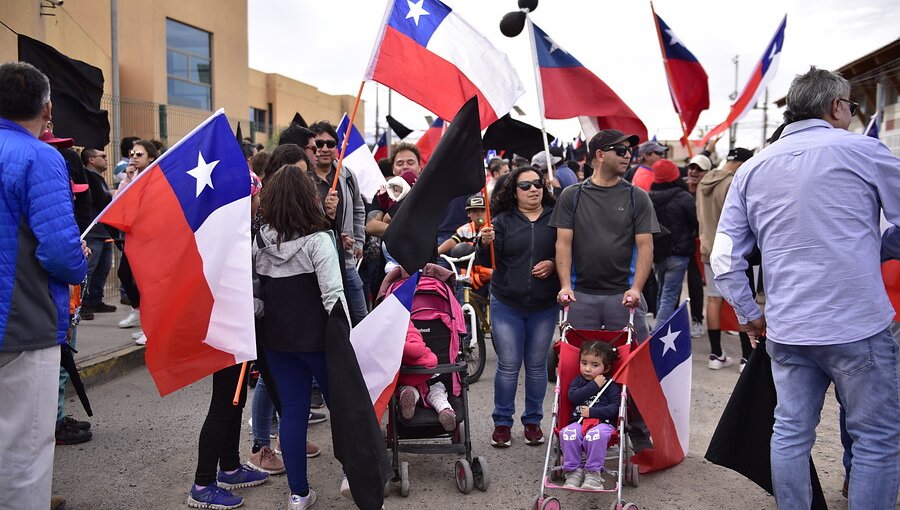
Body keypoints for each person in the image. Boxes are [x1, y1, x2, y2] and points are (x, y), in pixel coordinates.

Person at [712, 66, 900, 509]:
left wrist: (751, 315)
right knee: (875, 437)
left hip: (788, 327)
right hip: (856, 324)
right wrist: (875, 248)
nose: (852, 115)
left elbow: (724, 258)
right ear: (836, 106)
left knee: (791, 431)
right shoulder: (863, 150)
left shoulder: (753, 167)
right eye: (852, 107)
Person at [0, 61, 89, 510]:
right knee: (25, 448)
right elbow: (59, 251)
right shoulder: (39, 156)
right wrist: (79, 264)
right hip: (21, 320)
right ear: (47, 107)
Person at [255, 163, 350, 509]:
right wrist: (347, 341)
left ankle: (298, 494)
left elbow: (254, 295)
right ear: (308, 200)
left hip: (277, 341)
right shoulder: (319, 240)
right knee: (343, 408)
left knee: (292, 413)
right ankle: (352, 475)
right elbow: (334, 296)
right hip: (321, 341)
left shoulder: (259, 240)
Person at [478, 167, 559, 447]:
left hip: (544, 305)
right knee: (509, 365)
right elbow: (487, 262)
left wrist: (552, 265)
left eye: (538, 183)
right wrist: (483, 242)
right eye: (525, 186)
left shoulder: (556, 217)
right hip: (506, 303)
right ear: (514, 191)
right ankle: (502, 423)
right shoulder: (500, 222)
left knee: (536, 367)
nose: (533, 189)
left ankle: (533, 422)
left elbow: (568, 254)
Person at [553, 130, 658, 342]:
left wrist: (637, 289)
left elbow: (646, 246)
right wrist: (565, 285)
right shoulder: (572, 195)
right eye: (621, 150)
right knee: (578, 365)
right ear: (600, 155)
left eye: (630, 150)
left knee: (632, 365)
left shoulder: (637, 196)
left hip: (625, 296)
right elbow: (563, 244)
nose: (628, 155)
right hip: (579, 295)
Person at [696, 147, 754, 370]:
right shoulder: (732, 183)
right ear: (741, 163)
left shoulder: (704, 182)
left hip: (708, 247)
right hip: (732, 250)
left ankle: (715, 354)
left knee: (713, 299)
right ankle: (746, 357)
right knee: (741, 301)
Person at [309, 121, 367, 325]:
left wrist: (359, 242)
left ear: (337, 147)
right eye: (319, 144)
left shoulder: (347, 175)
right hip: (316, 265)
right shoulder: (303, 178)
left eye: (330, 143)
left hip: (347, 260)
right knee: (330, 321)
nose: (324, 148)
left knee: (361, 317)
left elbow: (359, 210)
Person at [560, 341, 620, 490]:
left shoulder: (611, 385)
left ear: (606, 368)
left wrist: (593, 412)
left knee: (596, 435)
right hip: (579, 422)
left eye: (594, 365)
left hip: (603, 423)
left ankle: (593, 474)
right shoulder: (578, 381)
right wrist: (594, 385)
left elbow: (615, 408)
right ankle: (573, 471)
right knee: (568, 433)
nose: (587, 369)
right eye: (584, 363)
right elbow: (573, 397)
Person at [117, 140, 159, 344]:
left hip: (152, 238)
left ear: (151, 157)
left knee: (148, 282)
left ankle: (152, 328)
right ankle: (139, 312)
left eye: (139, 154)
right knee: (124, 273)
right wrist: (128, 178)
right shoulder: (132, 177)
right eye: (132, 153)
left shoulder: (156, 177)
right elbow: (118, 203)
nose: (133, 156)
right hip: (134, 236)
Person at [648, 159, 697, 326]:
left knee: (662, 292)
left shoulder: (648, 198)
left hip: (658, 253)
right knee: (669, 295)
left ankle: (658, 326)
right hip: (679, 254)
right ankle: (658, 332)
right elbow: (695, 223)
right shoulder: (684, 197)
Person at [80, 147, 116, 316]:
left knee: (103, 268)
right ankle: (83, 304)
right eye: (102, 156)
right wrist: (111, 195)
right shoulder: (87, 176)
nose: (106, 159)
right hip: (93, 230)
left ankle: (95, 300)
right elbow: (99, 200)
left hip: (103, 230)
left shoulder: (99, 178)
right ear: (91, 159)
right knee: (89, 268)